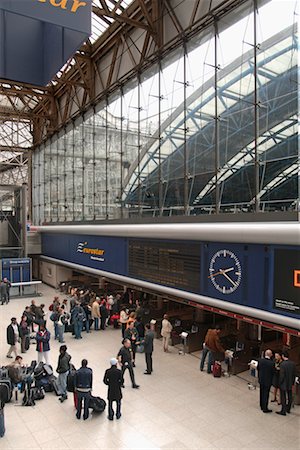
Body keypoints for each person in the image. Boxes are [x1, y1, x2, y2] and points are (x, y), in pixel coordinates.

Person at [276, 351, 296, 416]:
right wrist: (292, 383)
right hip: (290, 382)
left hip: (283, 383)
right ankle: (288, 409)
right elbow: (294, 374)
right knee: (290, 396)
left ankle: (283, 411)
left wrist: (279, 382)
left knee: (283, 397)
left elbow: (282, 375)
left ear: (283, 356)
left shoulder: (282, 364)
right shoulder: (293, 364)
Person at [257, 349, 275, 413]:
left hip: (261, 379)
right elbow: (273, 372)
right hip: (268, 380)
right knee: (266, 394)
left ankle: (261, 405)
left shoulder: (260, 360)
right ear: (270, 355)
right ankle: (265, 408)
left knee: (261, 392)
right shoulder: (272, 363)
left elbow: (258, 368)